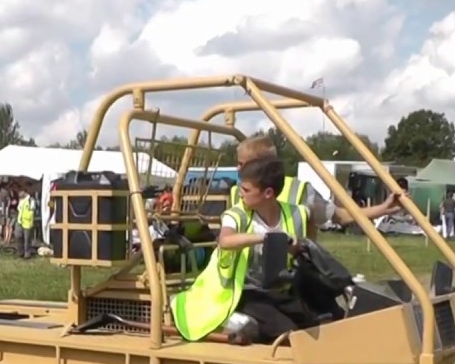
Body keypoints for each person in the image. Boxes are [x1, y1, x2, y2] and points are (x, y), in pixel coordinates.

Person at [171, 157, 317, 342]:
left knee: (316, 322)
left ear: (268, 193)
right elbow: (225, 240)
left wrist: (294, 246)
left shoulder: (293, 213)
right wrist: (263, 238)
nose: (240, 193)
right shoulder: (237, 215)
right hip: (238, 292)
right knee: (289, 332)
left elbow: (310, 223)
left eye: (246, 190)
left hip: (275, 290)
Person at [230, 136, 400, 237]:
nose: (237, 169)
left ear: (259, 165)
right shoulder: (236, 193)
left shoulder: (300, 192)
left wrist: (384, 209)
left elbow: (342, 216)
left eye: (241, 163)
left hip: (292, 283)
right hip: (245, 284)